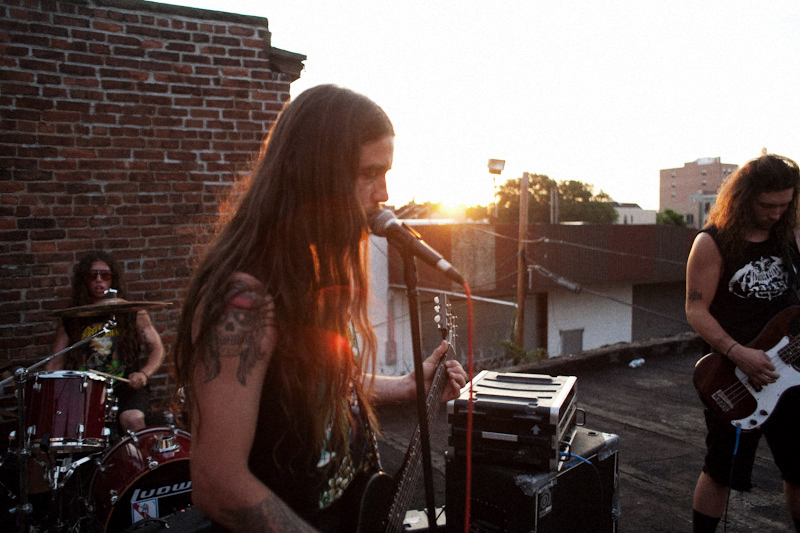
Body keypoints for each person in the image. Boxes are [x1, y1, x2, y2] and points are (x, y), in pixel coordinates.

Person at [173, 84, 467, 532]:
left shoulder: (308, 267)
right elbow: (218, 482)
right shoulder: (244, 300)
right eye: (369, 173)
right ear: (318, 175)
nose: (384, 193)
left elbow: (315, 382)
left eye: (386, 173)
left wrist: (408, 385)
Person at [685, 154, 800, 532]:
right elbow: (695, 310)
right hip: (734, 375)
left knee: (798, 468)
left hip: (792, 371)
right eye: (767, 205)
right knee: (720, 471)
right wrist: (738, 353)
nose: (776, 213)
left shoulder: (789, 236)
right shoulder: (712, 242)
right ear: (744, 197)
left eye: (784, 205)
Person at [49, 251, 165, 433]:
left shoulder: (133, 313)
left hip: (126, 385)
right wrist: (44, 390)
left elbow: (157, 348)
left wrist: (144, 374)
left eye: (105, 275)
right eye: (92, 275)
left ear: (113, 279)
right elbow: (56, 361)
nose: (99, 280)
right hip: (87, 389)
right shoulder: (72, 318)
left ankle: (138, 452)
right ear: (84, 280)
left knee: (132, 419)